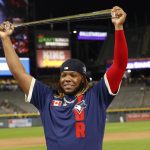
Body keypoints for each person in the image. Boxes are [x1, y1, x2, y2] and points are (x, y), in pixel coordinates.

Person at [0, 6, 128, 150]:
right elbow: (19, 73)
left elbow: (119, 66)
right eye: (64, 75)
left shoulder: (97, 96)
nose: (67, 78)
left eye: (73, 75)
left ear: (83, 79)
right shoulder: (46, 98)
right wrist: (5, 39)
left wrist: (118, 28)